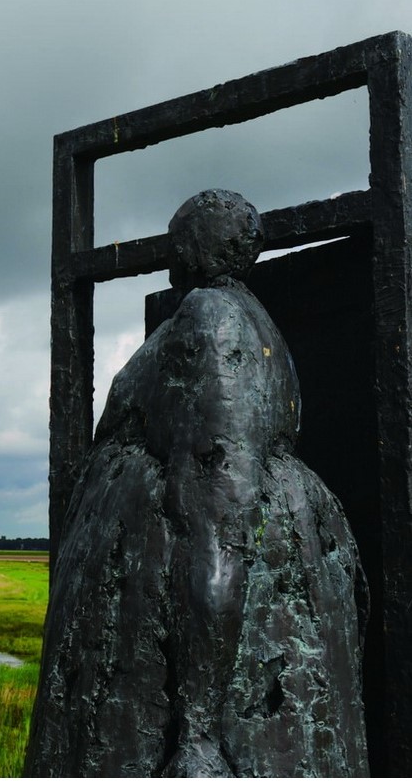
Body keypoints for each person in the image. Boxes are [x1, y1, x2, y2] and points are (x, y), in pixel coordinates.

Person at [25, 190, 369, 777]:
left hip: (172, 612)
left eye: (177, 237)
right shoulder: (245, 320)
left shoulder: (213, 317)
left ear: (195, 246)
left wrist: (199, 732)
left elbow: (215, 510)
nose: (170, 253)